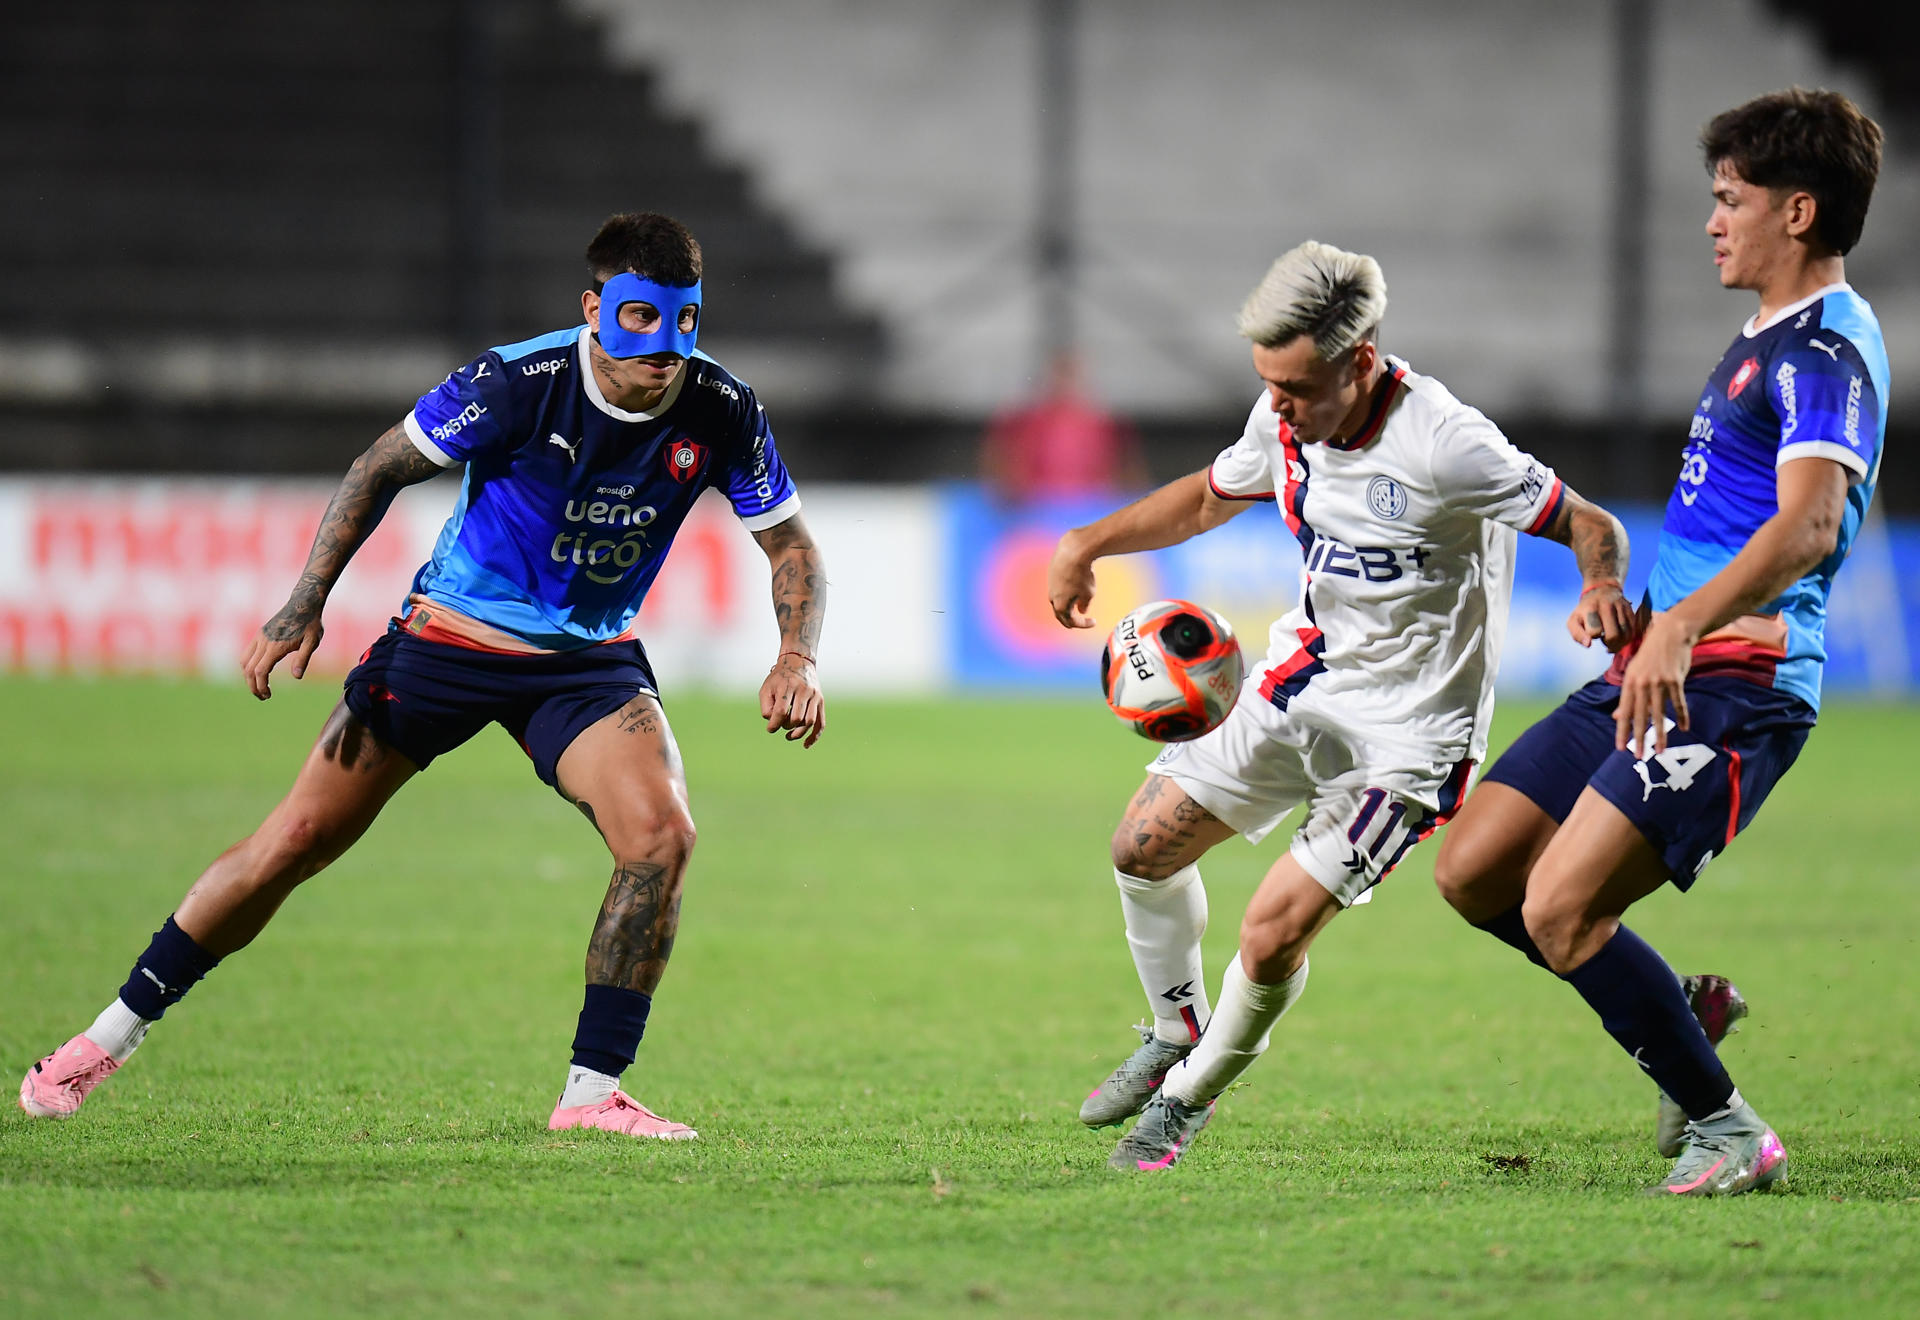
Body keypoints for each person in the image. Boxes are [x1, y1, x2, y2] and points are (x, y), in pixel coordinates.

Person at [19, 212, 828, 1140]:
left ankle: (591, 1093)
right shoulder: (515, 382)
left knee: (662, 839)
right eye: (641, 319)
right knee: (292, 844)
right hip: (447, 640)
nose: (664, 347)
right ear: (595, 309)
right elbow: (378, 468)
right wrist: (303, 603)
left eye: (683, 323)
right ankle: (103, 1040)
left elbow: (790, 546)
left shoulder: (722, 407)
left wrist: (796, 656)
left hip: (583, 661)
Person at [1047, 240, 1636, 1172]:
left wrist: (1597, 587)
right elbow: (1207, 499)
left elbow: (1590, 522)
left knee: (1272, 931)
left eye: (1295, 388)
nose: (1277, 405)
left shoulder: (1447, 442)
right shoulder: (1285, 419)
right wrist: (1089, 541)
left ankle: (1185, 1100)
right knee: (1139, 848)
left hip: (1409, 741)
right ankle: (1177, 1028)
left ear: (1360, 361)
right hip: (1302, 685)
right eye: (1268, 385)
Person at [1432, 88, 1886, 1197]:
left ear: (1798, 211)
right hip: (1662, 665)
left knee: (1560, 907)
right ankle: (1680, 1009)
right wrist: (1643, 613)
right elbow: (1735, 524)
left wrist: (1685, 625)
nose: (1712, 220)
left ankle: (1731, 1130)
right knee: (1475, 869)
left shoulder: (1825, 347)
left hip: (1741, 684)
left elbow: (1810, 525)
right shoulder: (1763, 342)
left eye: (1730, 200)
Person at [982, 350, 1148, 503]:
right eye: (1060, 376)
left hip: (1089, 502)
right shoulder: (1028, 419)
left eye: (1070, 376)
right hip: (1041, 504)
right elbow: (1001, 456)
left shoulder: (1103, 421)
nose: (1065, 384)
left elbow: (1128, 466)